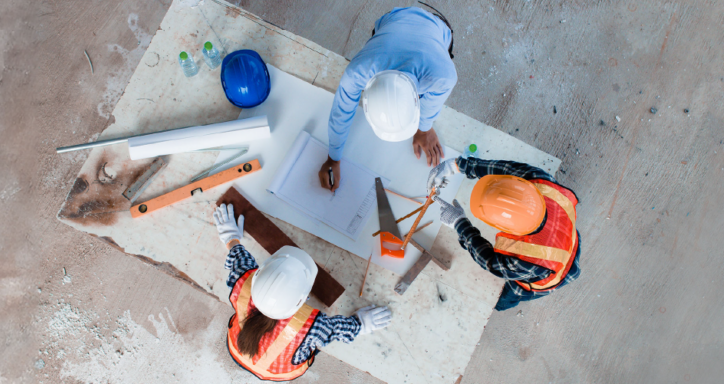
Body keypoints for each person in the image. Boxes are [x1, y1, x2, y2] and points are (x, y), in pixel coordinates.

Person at [212, 204, 393, 381]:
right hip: (279, 373)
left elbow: (238, 260)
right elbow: (335, 330)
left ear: (259, 274)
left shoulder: (242, 284)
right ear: (303, 300)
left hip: (237, 349)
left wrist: (231, 238)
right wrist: (360, 324)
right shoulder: (309, 328)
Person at [319, 6, 458, 192]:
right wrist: (333, 158)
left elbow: (432, 103)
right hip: (392, 20)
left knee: (430, 85)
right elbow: (341, 112)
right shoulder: (358, 71)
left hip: (437, 28)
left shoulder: (442, 76)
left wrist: (424, 129)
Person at [426, 157, 581, 310]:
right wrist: (455, 166)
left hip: (551, 275)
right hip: (568, 237)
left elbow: (488, 260)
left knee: (505, 297)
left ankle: (500, 305)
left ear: (503, 227)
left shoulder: (525, 260)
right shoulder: (539, 181)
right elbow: (505, 168)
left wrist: (459, 224)